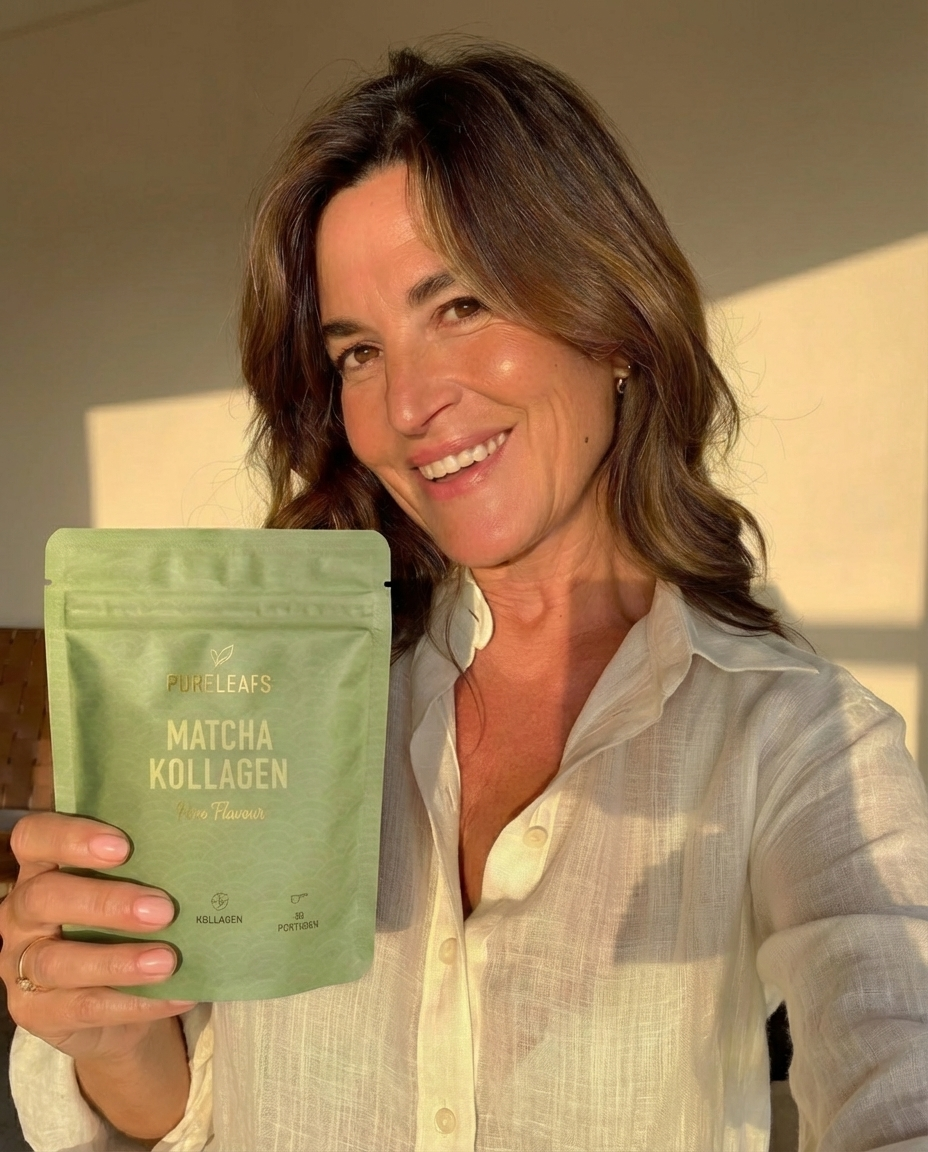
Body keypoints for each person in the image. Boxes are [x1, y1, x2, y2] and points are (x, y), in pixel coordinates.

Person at [3, 43, 927, 1152]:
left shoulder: (800, 741)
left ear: (611, 321)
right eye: (358, 352)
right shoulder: (281, 697)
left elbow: (899, 1057)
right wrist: (113, 1039)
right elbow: (198, 1112)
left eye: (461, 306)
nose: (408, 405)